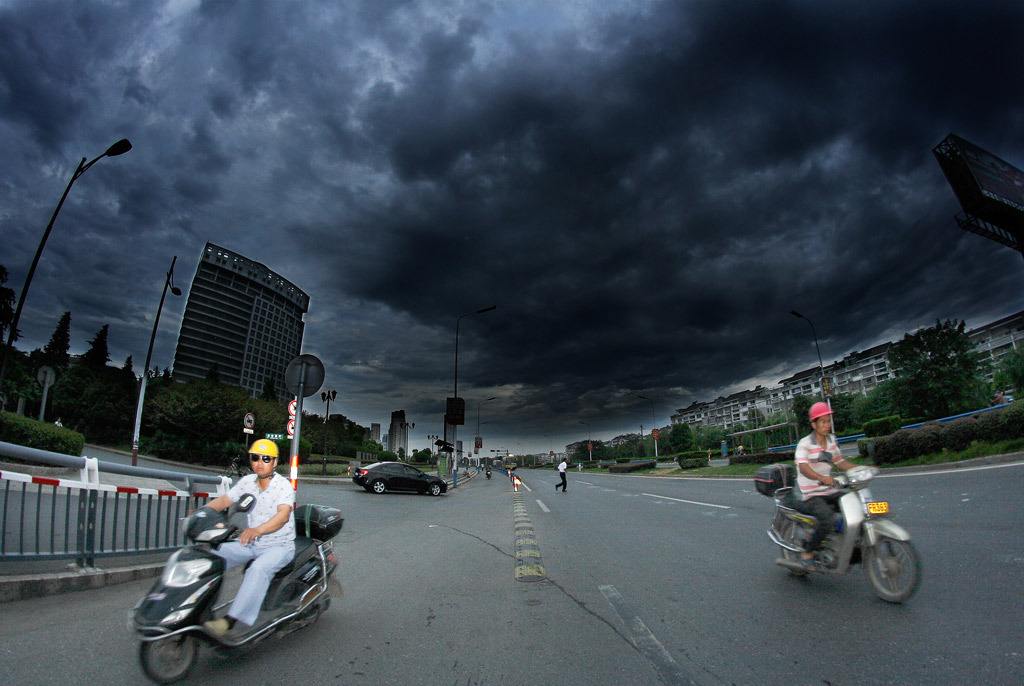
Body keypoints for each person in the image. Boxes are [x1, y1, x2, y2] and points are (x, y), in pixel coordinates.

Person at [201, 439, 295, 636]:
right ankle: (200, 606)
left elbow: (283, 515)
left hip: (279, 546)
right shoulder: (247, 483)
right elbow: (225, 501)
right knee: (213, 556)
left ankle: (230, 621)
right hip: (252, 542)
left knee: (258, 569)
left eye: (266, 458)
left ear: (275, 462)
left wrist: (258, 530)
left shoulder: (283, 486)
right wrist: (201, 514)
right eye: (255, 458)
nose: (259, 463)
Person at [793, 401, 856, 568]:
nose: (827, 425)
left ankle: (849, 546)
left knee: (853, 504)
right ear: (813, 424)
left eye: (829, 421)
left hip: (829, 490)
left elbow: (840, 461)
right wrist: (821, 477)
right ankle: (807, 553)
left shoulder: (831, 441)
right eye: (823, 421)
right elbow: (804, 467)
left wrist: (861, 469)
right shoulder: (805, 444)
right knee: (827, 518)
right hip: (811, 494)